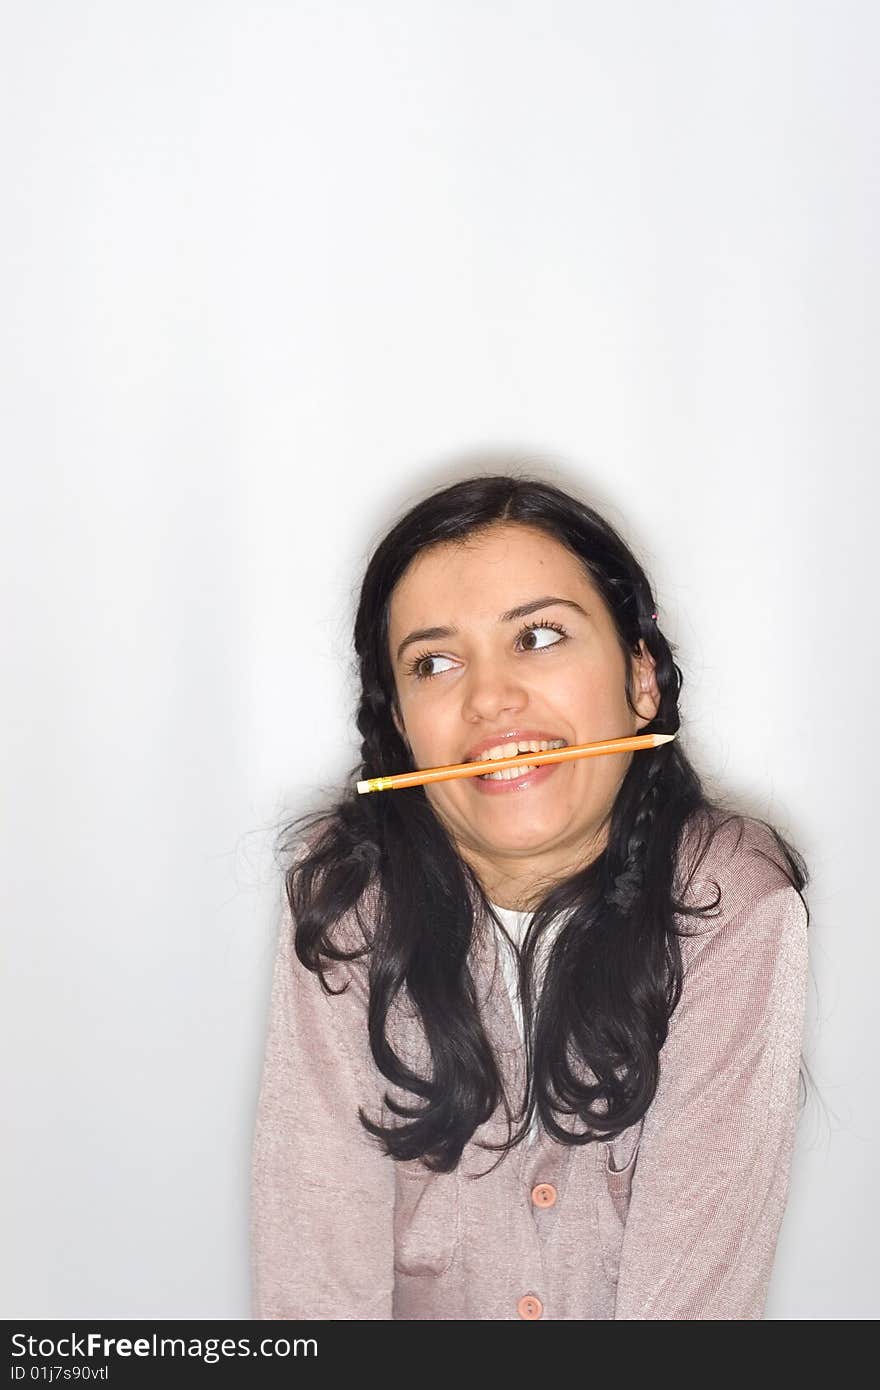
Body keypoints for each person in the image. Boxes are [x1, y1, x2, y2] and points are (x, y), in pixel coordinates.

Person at [249, 470, 812, 1320]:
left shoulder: (736, 904)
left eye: (539, 637)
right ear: (402, 730)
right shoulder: (347, 904)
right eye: (434, 662)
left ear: (642, 679)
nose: (489, 699)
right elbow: (313, 1282)